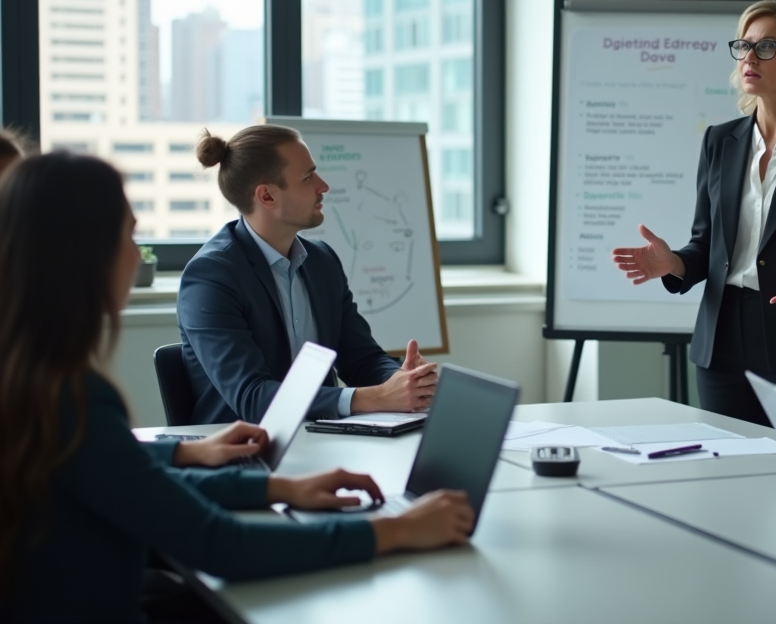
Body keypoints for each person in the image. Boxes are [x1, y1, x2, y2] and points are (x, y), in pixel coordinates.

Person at [0, 152, 475, 624]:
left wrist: (276, 487)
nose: (136, 253)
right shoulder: (68, 396)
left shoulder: (27, 379)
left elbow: (140, 481)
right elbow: (219, 544)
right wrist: (394, 531)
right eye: (129, 235)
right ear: (81, 257)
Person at [612, 0, 776, 436]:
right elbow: (706, 245)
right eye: (744, 46)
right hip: (721, 341)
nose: (750, 58)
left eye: (767, 47)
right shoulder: (719, 141)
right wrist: (674, 263)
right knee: (724, 465)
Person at [178, 124, 438, 424]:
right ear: (267, 196)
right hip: (242, 445)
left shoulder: (321, 261)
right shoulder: (211, 276)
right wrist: (377, 397)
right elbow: (253, 397)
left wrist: (403, 381)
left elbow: (362, 359)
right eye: (307, 177)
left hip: (320, 437)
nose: (323, 186)